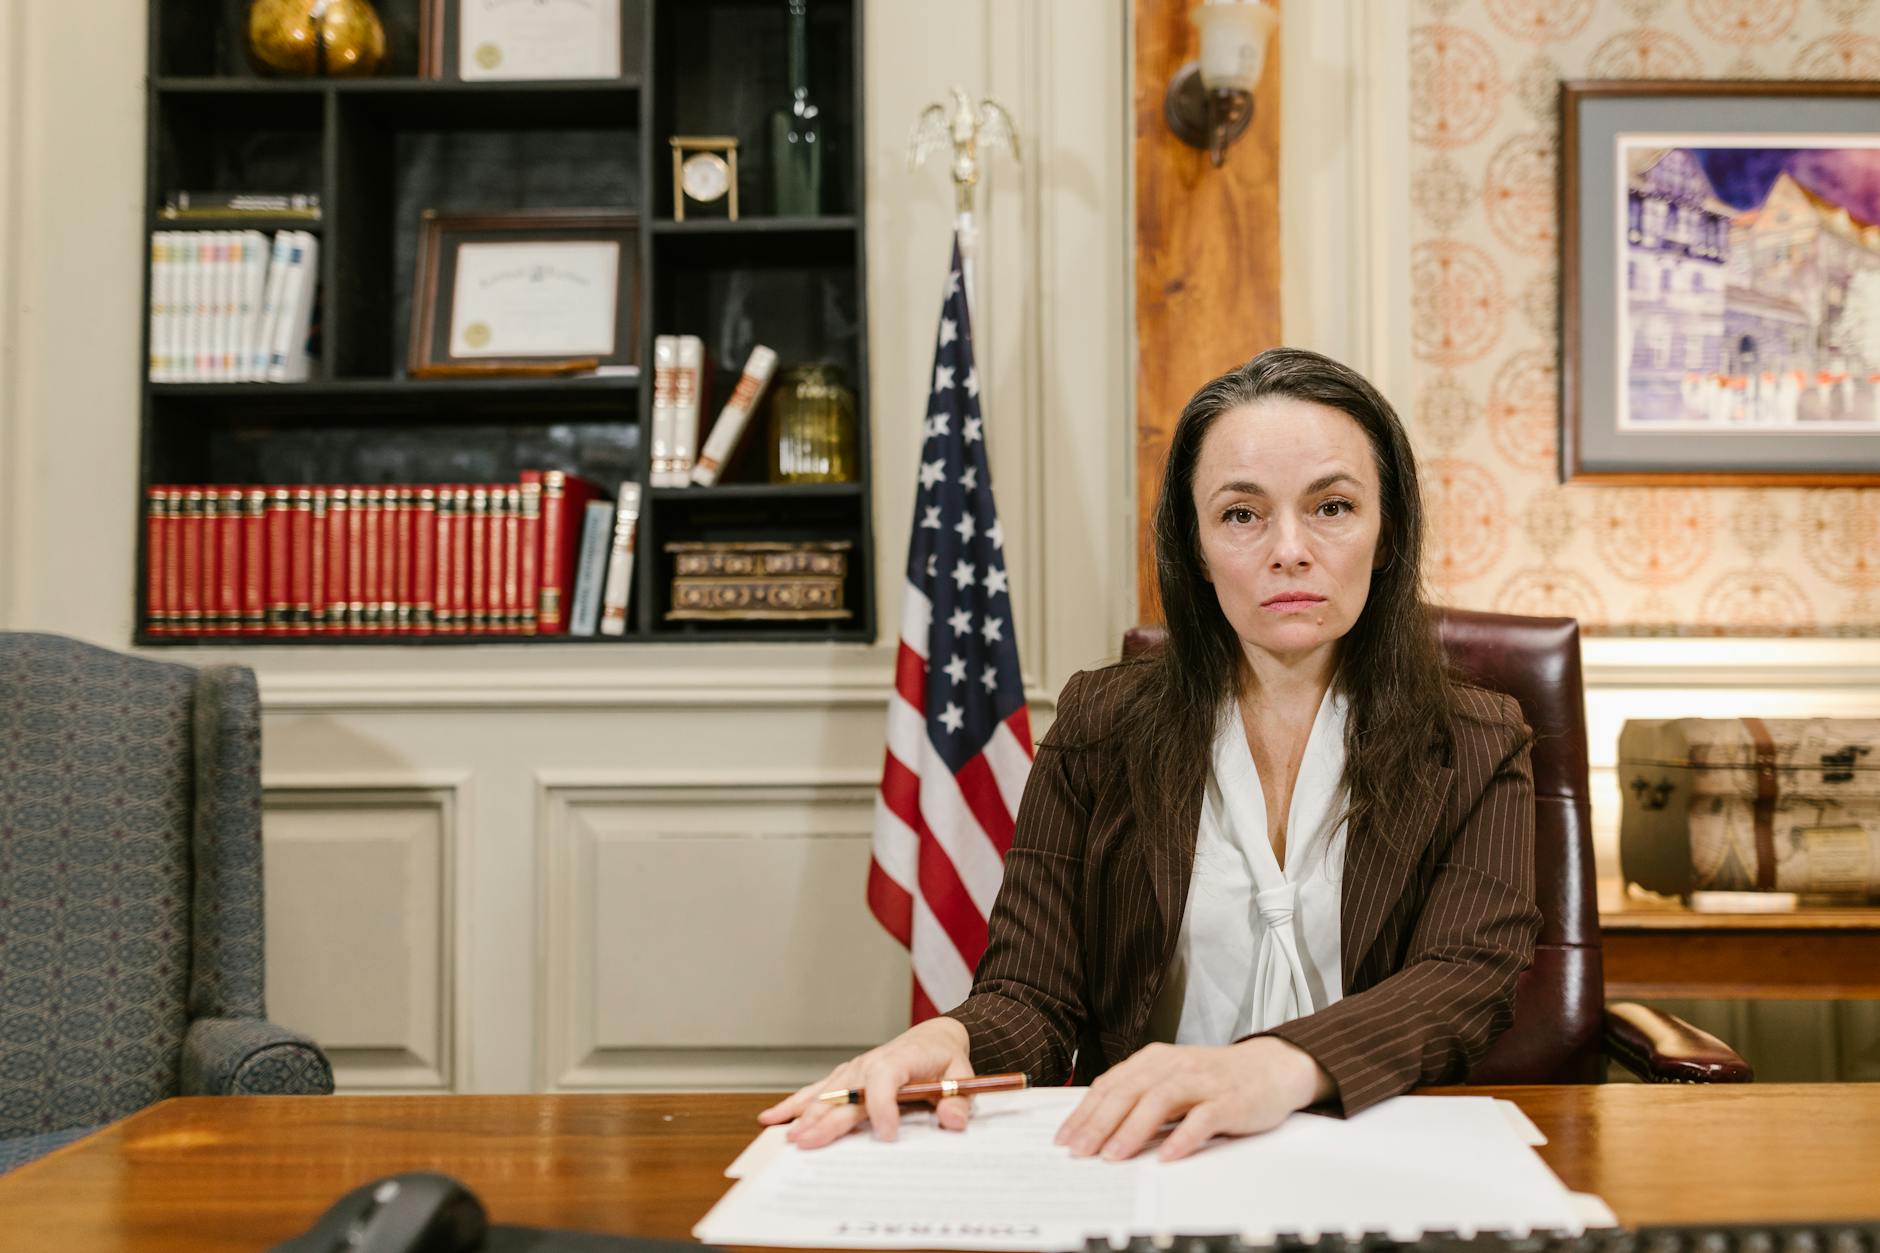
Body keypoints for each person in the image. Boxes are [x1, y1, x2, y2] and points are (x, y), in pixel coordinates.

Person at [761, 347, 1540, 1162]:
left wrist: (1274, 1066)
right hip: (1153, 1153)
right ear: (1195, 546)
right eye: (1241, 514)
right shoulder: (1100, 724)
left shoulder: (1479, 739)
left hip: (1377, 1155)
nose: (1289, 548)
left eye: (1332, 506)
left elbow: (1463, 982)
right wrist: (950, 1036)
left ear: (1387, 533)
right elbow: (1032, 996)